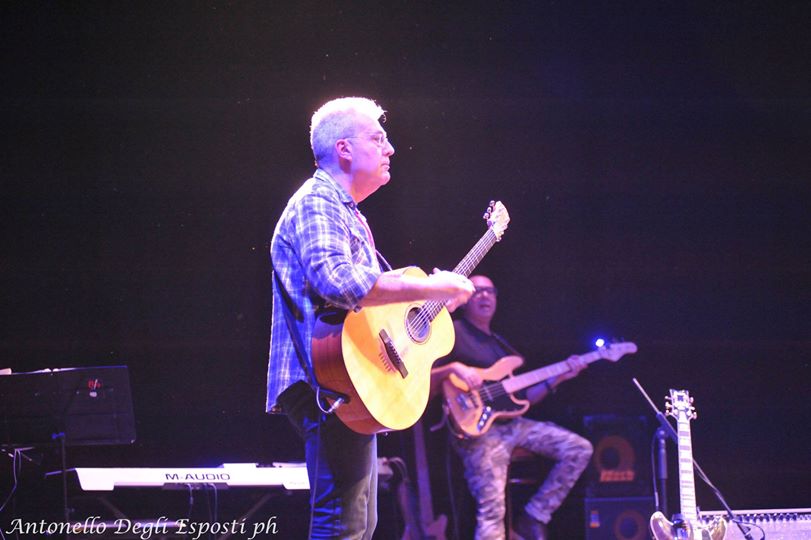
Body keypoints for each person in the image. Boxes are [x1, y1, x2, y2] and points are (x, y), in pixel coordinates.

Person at [267, 96, 474, 540]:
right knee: (341, 523)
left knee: (361, 523)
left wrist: (433, 300)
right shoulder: (317, 202)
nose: (390, 148)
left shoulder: (347, 213)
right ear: (343, 149)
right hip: (325, 379)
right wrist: (431, 288)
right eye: (377, 138)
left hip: (351, 377)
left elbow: (373, 305)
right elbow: (339, 282)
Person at [431, 275, 593, 540]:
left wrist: (559, 377)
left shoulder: (500, 345)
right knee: (492, 510)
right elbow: (424, 379)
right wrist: (453, 368)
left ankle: (534, 516)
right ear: (464, 299)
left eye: (490, 291)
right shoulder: (453, 333)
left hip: (512, 425)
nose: (485, 295)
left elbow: (525, 398)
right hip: (478, 430)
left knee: (579, 449)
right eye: (477, 291)